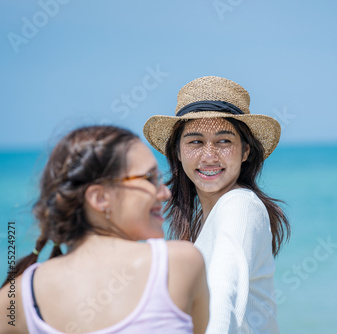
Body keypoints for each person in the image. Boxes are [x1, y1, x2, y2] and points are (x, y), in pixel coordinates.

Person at [0, 125, 209, 334]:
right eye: (149, 179)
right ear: (100, 198)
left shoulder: (16, 297)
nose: (165, 193)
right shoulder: (178, 263)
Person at [143, 76, 291, 333]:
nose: (209, 156)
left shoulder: (239, 205)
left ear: (245, 151)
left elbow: (224, 294)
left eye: (224, 141)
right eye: (195, 142)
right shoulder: (206, 219)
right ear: (177, 152)